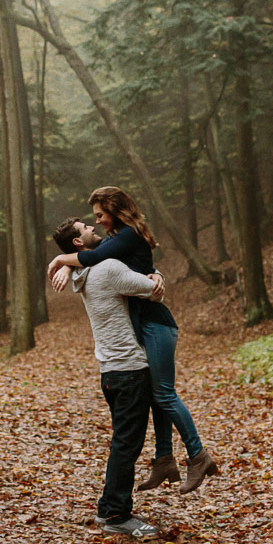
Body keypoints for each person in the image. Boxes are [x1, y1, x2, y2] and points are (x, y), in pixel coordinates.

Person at [47, 186, 218, 494]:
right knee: (156, 395)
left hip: (156, 324)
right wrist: (69, 266)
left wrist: (62, 260)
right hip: (145, 324)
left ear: (114, 209)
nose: (97, 221)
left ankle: (198, 456)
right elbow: (115, 264)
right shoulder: (117, 240)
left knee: (164, 394)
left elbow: (99, 259)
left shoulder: (124, 235)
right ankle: (164, 459)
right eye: (92, 220)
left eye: (100, 215)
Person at [51, 217, 163, 539]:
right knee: (126, 444)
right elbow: (153, 291)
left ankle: (113, 508)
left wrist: (67, 265)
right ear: (78, 243)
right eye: (86, 227)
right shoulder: (108, 268)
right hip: (128, 369)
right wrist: (158, 275)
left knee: (123, 442)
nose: (93, 228)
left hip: (110, 372)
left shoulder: (83, 274)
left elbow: (84, 266)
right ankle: (114, 513)